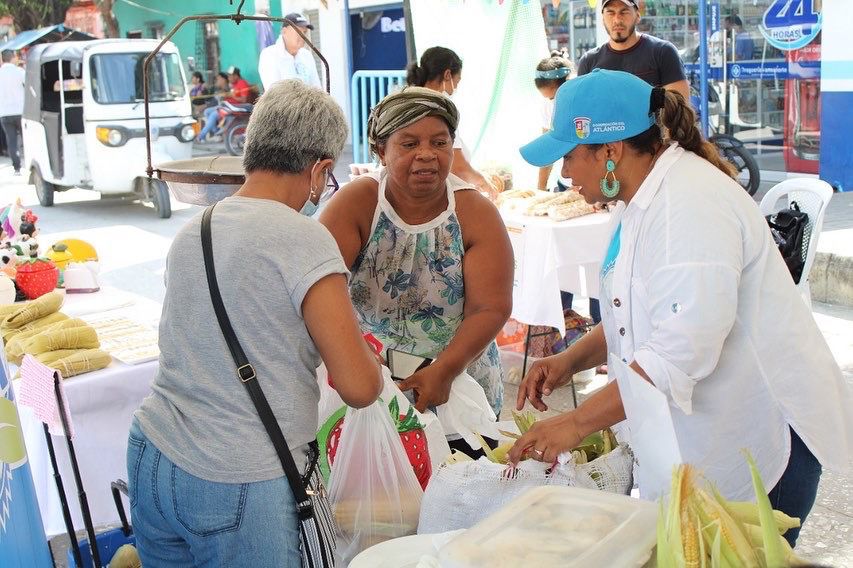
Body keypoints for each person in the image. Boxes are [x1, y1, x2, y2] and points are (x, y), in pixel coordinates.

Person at [509, 69, 852, 547]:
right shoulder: (639, 202)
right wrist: (571, 360)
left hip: (761, 446)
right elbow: (635, 312)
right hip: (708, 441)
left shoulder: (688, 207)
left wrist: (575, 423)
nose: (565, 175)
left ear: (611, 151)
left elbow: (678, 350)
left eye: (569, 156)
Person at [128, 80, 383, 567]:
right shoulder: (304, 240)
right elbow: (358, 386)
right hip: (238, 477)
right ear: (320, 169)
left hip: (153, 456)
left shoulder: (191, 233)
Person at [319, 87, 513, 426]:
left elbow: (490, 307)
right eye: (409, 144)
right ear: (381, 150)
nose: (426, 154)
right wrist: (354, 358)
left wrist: (446, 370)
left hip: (458, 380)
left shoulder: (475, 213)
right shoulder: (356, 205)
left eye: (439, 143)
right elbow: (320, 291)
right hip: (369, 381)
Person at [534, 51, 603, 333]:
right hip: (570, 189)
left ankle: (601, 325)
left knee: (597, 263)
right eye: (548, 99)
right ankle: (562, 327)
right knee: (563, 265)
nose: (552, 102)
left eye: (554, 96)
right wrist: (541, 190)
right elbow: (549, 150)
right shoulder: (547, 107)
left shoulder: (588, 105)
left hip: (595, 188)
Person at [406, 47, 497, 198]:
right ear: (447, 74)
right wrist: (483, 182)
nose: (457, 87)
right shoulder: (441, 106)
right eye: (457, 80)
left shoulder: (408, 97)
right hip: (433, 192)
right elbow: (457, 166)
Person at [577, 0, 689, 102]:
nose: (617, 20)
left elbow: (679, 111)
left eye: (624, 12)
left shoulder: (663, 52)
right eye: (610, 12)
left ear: (638, 15)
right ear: (602, 18)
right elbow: (582, 111)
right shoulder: (588, 61)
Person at [258, 12, 322, 90]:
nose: (303, 36)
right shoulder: (269, 55)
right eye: (298, 31)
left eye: (304, 32)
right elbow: (275, 93)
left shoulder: (307, 55)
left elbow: (317, 88)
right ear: (284, 31)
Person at [0, 50, 25, 175]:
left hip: (4, 113)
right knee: (26, 137)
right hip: (20, 110)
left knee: (11, 141)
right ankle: (30, 160)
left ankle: (17, 168)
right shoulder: (19, 72)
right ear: (13, 57)